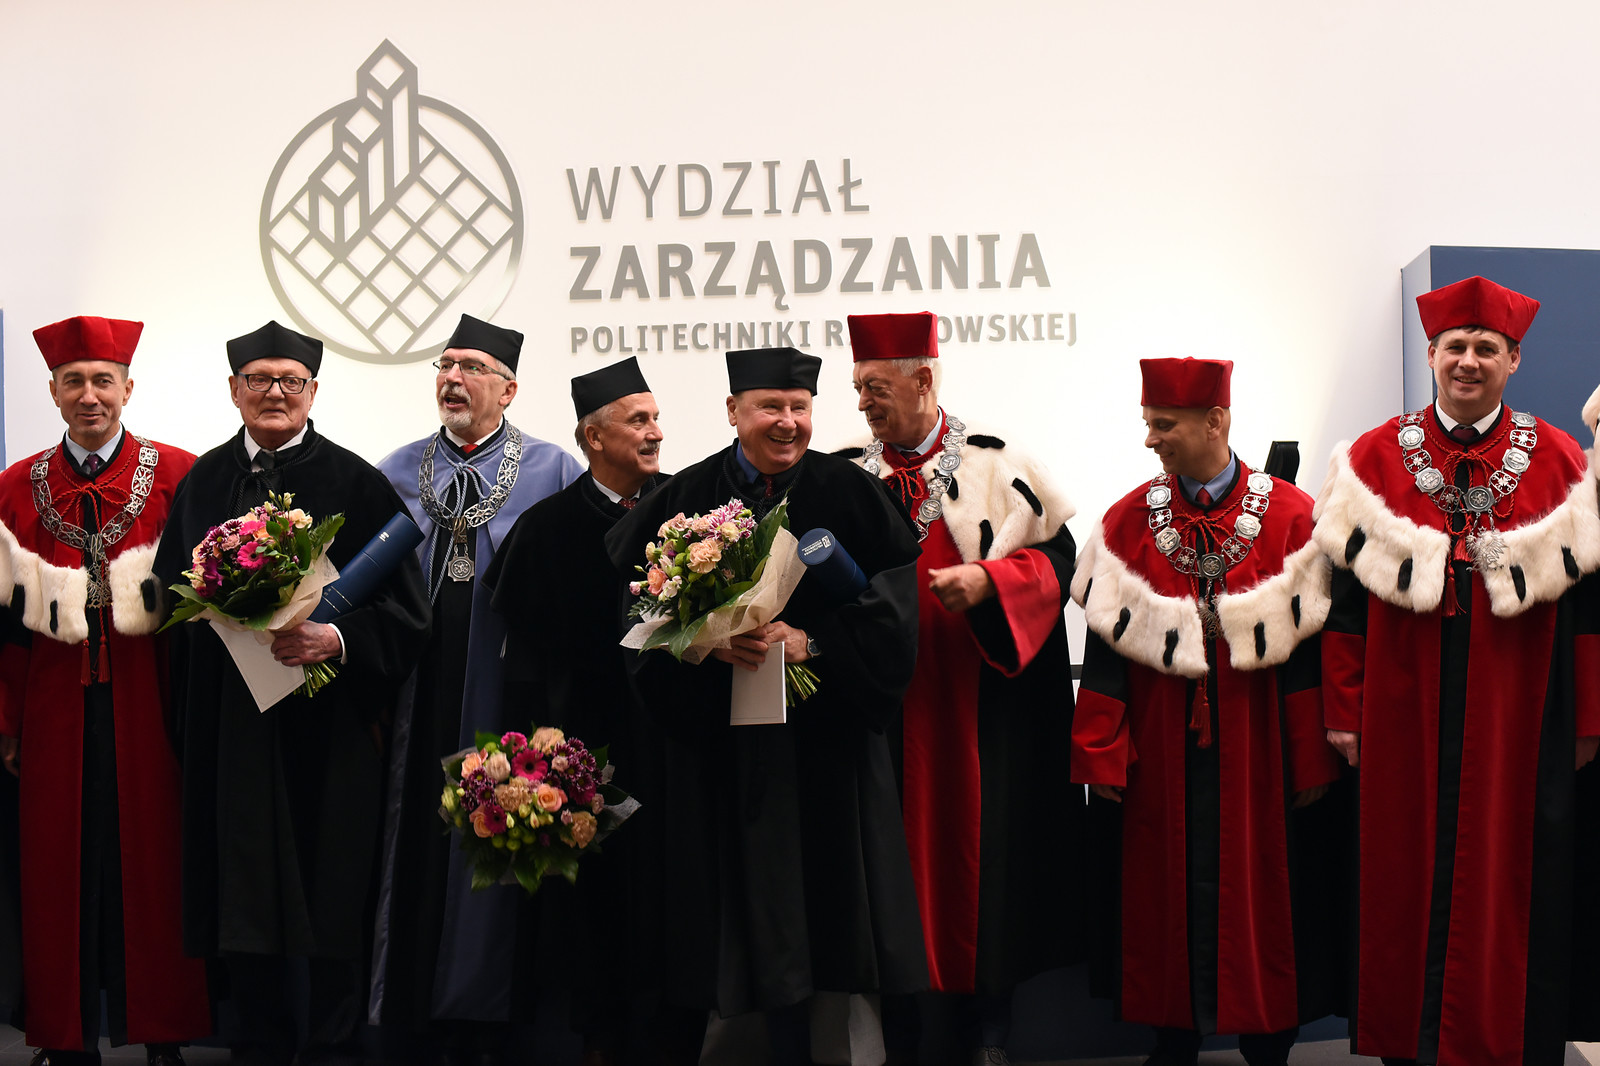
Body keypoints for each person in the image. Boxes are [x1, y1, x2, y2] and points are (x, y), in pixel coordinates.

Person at [602, 347, 928, 1066]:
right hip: (723, 749)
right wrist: (701, 645)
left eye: (799, 408)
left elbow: (897, 611)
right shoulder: (685, 496)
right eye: (769, 407)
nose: (787, 422)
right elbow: (635, 618)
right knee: (730, 913)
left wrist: (815, 642)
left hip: (825, 750)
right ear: (733, 412)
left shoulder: (850, 491)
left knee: (830, 907)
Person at [1314, 276, 1600, 1066]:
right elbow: (1343, 601)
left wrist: (1587, 719)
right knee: (1400, 875)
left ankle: (1508, 1038)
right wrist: (1344, 710)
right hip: (1401, 706)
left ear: (1514, 359)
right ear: (1433, 354)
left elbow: (1588, 607)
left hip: (1522, 712)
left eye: (1486, 348)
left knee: (1517, 877)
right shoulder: (1371, 457)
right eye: (1455, 347)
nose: (1468, 361)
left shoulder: (1561, 459)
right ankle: (1406, 1040)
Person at [154, 320, 430, 1066]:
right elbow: (170, 602)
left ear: (312, 390)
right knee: (244, 887)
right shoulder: (204, 483)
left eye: (290, 381)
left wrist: (333, 638)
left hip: (328, 721)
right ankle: (259, 1044)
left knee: (332, 881)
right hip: (234, 724)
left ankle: (336, 1046)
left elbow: (409, 613)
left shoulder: (356, 482)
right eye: (259, 379)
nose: (274, 392)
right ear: (234, 389)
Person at [1071, 358, 1344, 1066]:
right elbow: (1105, 649)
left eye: (1163, 425)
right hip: (1160, 743)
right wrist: (1100, 748)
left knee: (1269, 894)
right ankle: (1173, 1037)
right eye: (1148, 423)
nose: (1151, 439)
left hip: (1261, 746)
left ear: (1215, 421)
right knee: (1161, 895)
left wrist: (1310, 757)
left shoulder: (1293, 517)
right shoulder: (1126, 521)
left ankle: (1269, 1042)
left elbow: (1311, 653)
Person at [838, 312, 1080, 1066]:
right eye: (857, 388)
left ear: (923, 380)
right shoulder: (841, 476)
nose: (862, 403)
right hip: (883, 714)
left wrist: (992, 581)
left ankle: (988, 1034)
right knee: (888, 871)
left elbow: (1059, 563)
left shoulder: (996, 467)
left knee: (988, 869)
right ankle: (902, 1036)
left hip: (980, 711)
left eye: (875, 388)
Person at [367, 314, 580, 1061]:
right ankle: (411, 1008)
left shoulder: (554, 471)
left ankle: (496, 1010)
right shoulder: (394, 472)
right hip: (418, 691)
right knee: (419, 835)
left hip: (510, 692)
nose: (453, 379)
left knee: (503, 823)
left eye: (472, 367)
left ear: (508, 389)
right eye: (445, 365)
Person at [0, 316, 207, 1066]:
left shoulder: (181, 475)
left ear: (127, 388)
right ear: (54, 392)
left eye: (103, 381)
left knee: (154, 863)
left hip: (152, 702)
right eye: (74, 382)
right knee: (57, 868)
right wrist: (8, 720)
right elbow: (2, 625)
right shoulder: (12, 489)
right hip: (54, 704)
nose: (90, 395)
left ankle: (165, 1033)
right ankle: (64, 1036)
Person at [483, 356, 668, 1065]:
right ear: (594, 436)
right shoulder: (546, 528)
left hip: (672, 746)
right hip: (583, 756)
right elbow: (523, 662)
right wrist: (532, 760)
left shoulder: (686, 511)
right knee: (590, 910)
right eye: (639, 420)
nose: (655, 433)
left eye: (656, 419)